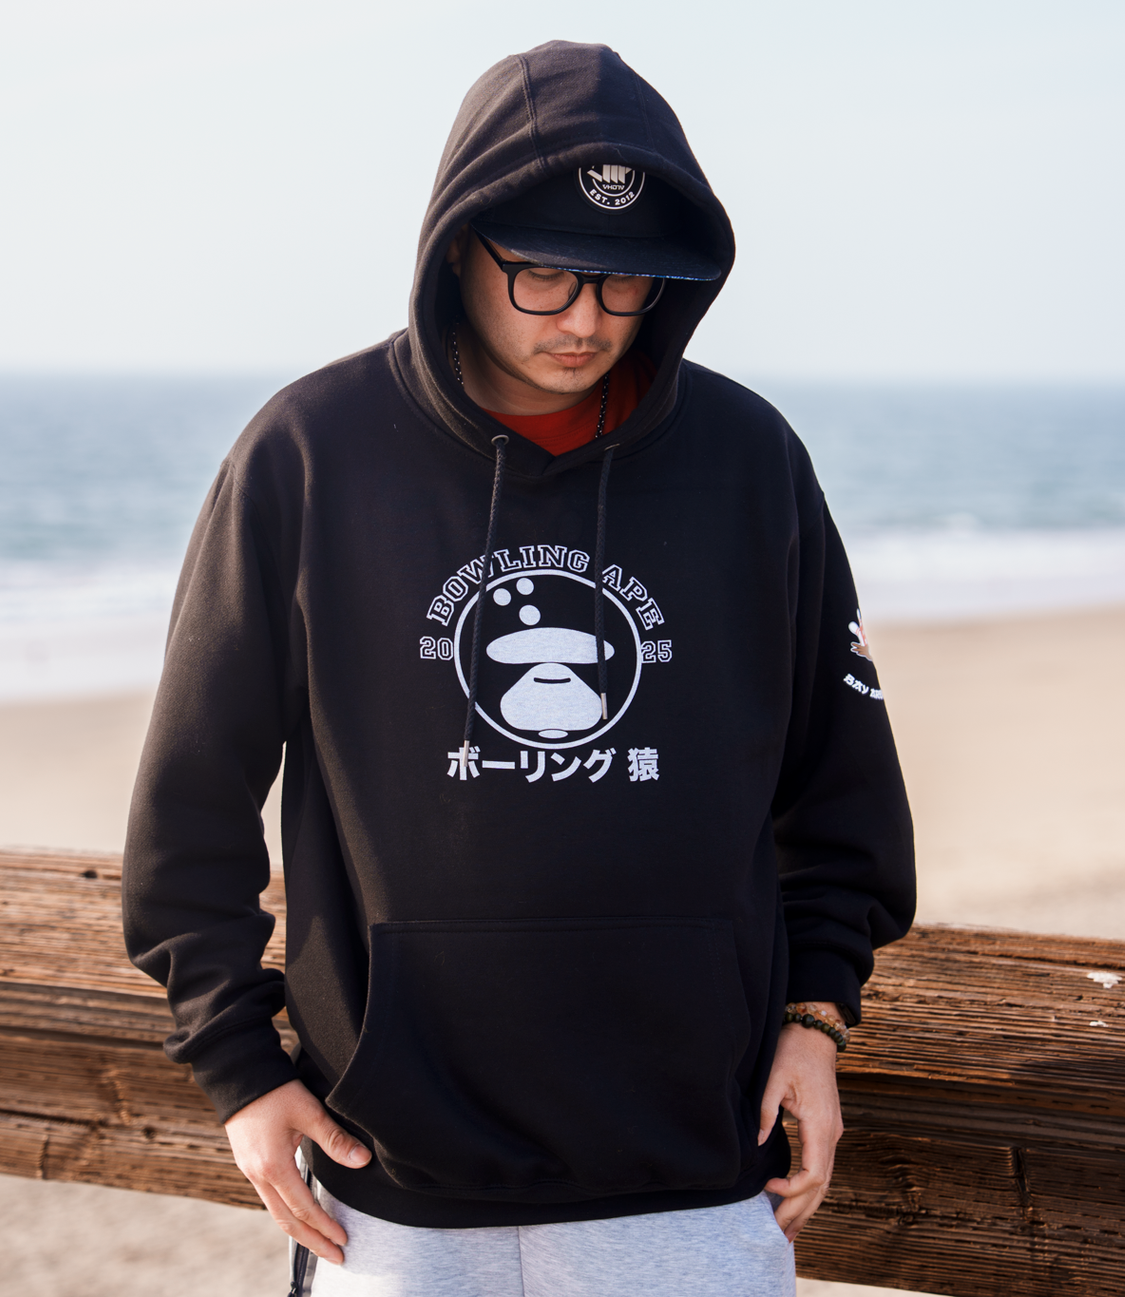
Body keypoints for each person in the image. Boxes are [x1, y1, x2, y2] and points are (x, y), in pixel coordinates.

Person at [121, 41, 916, 1297]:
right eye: (542, 272)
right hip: (390, 1187)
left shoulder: (748, 462)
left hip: (693, 1174)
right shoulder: (309, 455)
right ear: (457, 249)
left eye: (623, 279)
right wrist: (236, 1066)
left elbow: (840, 786)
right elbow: (190, 797)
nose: (585, 318)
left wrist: (816, 1019)